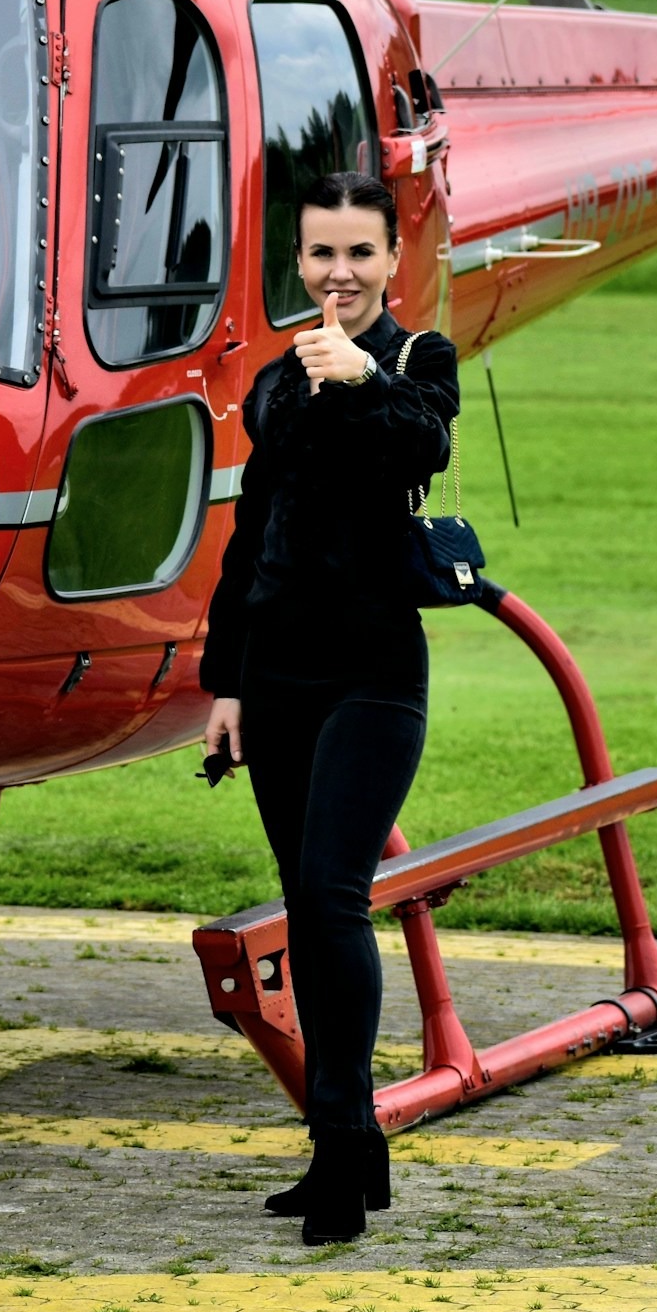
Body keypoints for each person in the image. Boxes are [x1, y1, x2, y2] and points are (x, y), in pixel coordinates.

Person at [200, 169, 459, 1246]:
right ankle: (343, 1146)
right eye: (320, 255)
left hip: (374, 675)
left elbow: (427, 445)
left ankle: (345, 1154)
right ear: (296, 263)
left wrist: (359, 375)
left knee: (330, 892)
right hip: (280, 678)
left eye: (360, 253)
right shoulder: (271, 382)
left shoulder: (414, 358)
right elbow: (250, 536)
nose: (340, 274)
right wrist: (224, 682)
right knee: (304, 910)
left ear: (393, 260)